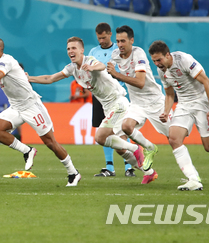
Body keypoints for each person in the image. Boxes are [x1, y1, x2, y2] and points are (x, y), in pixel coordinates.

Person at [29, 37, 151, 181]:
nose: (70, 51)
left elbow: (100, 66)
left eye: (73, 48)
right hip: (108, 106)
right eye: (68, 49)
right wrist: (29, 78)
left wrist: (92, 68)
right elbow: (50, 78)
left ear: (82, 50)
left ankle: (137, 148)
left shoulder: (90, 61)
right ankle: (149, 172)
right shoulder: (72, 68)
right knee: (119, 149)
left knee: (100, 137)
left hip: (118, 102)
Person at [0, 38, 81, 187]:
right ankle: (27, 151)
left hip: (31, 105)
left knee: (50, 142)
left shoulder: (6, 61)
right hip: (16, 106)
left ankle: (73, 173)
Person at [148, 41, 209, 191]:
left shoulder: (184, 60)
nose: (157, 64)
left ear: (167, 55)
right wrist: (166, 111)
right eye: (154, 61)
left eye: (159, 60)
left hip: (201, 102)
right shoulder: (162, 70)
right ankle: (193, 179)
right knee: (173, 138)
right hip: (184, 105)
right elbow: (170, 94)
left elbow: (206, 81)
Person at [108, 26, 169, 184]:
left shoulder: (139, 53)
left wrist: (116, 74)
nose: (120, 44)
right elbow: (105, 67)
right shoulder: (115, 54)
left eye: (123, 41)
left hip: (155, 101)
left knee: (175, 138)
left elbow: (141, 83)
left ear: (131, 40)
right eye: (117, 41)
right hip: (137, 103)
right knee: (126, 126)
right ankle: (149, 150)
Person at [87, 23, 133, 177]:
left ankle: (129, 167)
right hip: (99, 97)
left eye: (104, 37)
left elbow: (124, 70)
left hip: (116, 96)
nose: (101, 41)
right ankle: (109, 167)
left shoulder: (118, 50)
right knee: (103, 130)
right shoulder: (93, 51)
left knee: (121, 130)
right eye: (99, 38)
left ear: (110, 34)